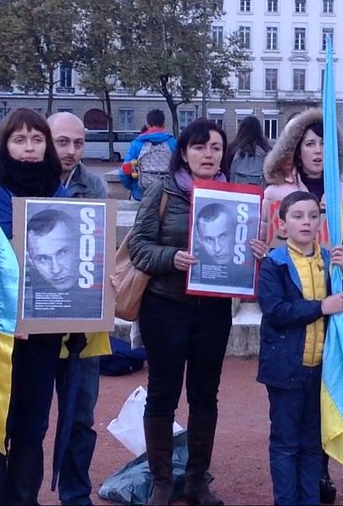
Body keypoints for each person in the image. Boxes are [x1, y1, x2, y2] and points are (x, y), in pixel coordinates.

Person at [129, 119, 264, 506]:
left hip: (213, 310)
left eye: (216, 148)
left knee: (205, 394)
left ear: (225, 153)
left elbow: (247, 251)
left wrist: (254, 251)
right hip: (165, 307)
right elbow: (138, 247)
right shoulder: (161, 192)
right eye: (200, 147)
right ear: (184, 152)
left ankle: (196, 479)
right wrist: (173, 257)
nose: (208, 154)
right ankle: (161, 480)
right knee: (163, 393)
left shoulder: (238, 197)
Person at [0, 108, 70, 506]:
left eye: (37, 139)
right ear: (4, 145)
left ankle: (24, 499)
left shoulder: (60, 195)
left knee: (33, 423)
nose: (29, 148)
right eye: (19, 140)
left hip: (42, 327)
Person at [259, 108, 343, 503]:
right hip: (287, 365)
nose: (306, 222)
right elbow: (278, 309)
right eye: (297, 216)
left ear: (321, 221)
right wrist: (323, 306)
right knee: (286, 440)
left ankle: (313, 493)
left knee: (313, 439)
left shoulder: (328, 250)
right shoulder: (277, 260)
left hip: (324, 364)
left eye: (312, 216)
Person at [46, 111, 110, 506]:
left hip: (83, 322)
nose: (71, 151)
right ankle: (22, 491)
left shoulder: (96, 184)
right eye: (62, 142)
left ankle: (75, 494)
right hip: (33, 323)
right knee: (27, 418)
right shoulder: (26, 180)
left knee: (81, 417)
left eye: (78, 143)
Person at [120, 109, 177, 200]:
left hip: (141, 194)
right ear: (163, 124)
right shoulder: (173, 143)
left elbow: (124, 171)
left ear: (147, 125)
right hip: (166, 195)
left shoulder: (137, 143)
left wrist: (133, 187)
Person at [224, 115, 270, 187]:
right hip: (259, 194)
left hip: (235, 192)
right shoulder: (266, 149)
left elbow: (226, 173)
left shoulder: (232, 148)